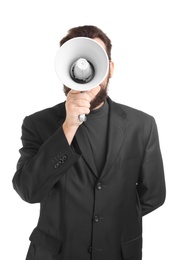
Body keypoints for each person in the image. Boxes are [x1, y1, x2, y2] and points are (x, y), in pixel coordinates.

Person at [12, 25, 166, 260]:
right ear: (65, 68)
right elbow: (29, 191)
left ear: (110, 69)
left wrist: (106, 222)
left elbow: (153, 195)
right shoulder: (37, 124)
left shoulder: (142, 125)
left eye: (97, 60)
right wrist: (68, 127)